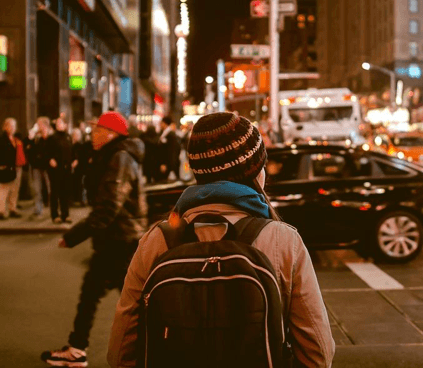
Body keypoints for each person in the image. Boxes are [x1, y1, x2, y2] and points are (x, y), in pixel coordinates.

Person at [107, 112, 335, 368]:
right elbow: (318, 353)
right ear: (256, 173)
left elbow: (120, 353)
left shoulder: (157, 240)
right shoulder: (282, 240)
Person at [41, 111, 146, 367]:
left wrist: (74, 235)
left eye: (97, 131)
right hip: (116, 239)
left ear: (111, 134)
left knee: (133, 303)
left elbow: (109, 206)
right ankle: (77, 348)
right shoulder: (112, 156)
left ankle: (159, 348)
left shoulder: (119, 158)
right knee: (99, 296)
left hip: (119, 241)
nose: (92, 135)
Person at [46, 117, 75, 224]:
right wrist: (50, 159)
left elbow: (71, 150)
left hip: (66, 168)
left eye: (61, 123)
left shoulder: (68, 136)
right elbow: (47, 152)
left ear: (65, 125)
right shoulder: (52, 137)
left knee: (65, 192)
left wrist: (74, 160)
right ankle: (55, 215)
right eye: (58, 122)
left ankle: (65, 214)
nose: (59, 124)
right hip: (55, 169)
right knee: (55, 192)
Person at [0, 118, 20, 220]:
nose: (13, 128)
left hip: (14, 167)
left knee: (14, 190)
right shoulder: (0, 139)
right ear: (5, 127)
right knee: (3, 189)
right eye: (11, 126)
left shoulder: (15, 139)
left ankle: (12, 208)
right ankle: (0, 210)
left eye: (14, 126)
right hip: (4, 167)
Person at [26, 117, 52, 220]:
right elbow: (30, 150)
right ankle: (38, 210)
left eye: (39, 124)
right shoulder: (36, 137)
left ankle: (53, 210)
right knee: (37, 189)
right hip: (37, 166)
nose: (37, 126)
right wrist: (30, 139)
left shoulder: (50, 137)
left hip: (47, 166)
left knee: (50, 188)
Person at [71, 128, 93, 206]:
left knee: (82, 184)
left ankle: (82, 199)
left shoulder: (82, 145)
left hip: (81, 168)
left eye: (78, 135)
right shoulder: (72, 145)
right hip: (75, 168)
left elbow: (82, 156)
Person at [158, 116, 181, 181]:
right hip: (166, 164)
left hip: (169, 165)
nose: (160, 124)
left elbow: (172, 151)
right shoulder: (164, 133)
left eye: (161, 123)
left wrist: (166, 164)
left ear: (165, 123)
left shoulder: (170, 134)